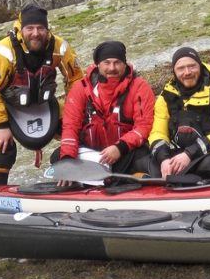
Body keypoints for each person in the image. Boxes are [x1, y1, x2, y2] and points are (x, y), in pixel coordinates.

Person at [0, 4, 83, 185]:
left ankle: (78, 181)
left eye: (40, 28)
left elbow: (75, 79)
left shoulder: (60, 47)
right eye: (30, 28)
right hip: (8, 107)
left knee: (80, 136)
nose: (36, 33)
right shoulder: (3, 51)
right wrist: (2, 126)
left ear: (47, 29)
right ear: (21, 29)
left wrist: (72, 111)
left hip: (44, 104)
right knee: (2, 149)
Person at [53, 41, 155, 178]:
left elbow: (144, 126)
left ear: (125, 64)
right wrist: (68, 160)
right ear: (98, 64)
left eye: (117, 62)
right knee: (58, 157)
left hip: (125, 153)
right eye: (106, 62)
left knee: (145, 158)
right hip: (93, 156)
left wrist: (120, 148)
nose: (112, 68)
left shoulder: (140, 87)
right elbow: (71, 126)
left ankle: (127, 179)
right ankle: (84, 178)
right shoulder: (80, 89)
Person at [147, 47, 210, 180]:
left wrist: (190, 153)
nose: (187, 72)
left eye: (192, 66)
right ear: (174, 72)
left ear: (200, 66)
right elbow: (158, 132)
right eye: (181, 68)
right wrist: (163, 159)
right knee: (152, 165)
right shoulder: (166, 97)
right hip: (178, 154)